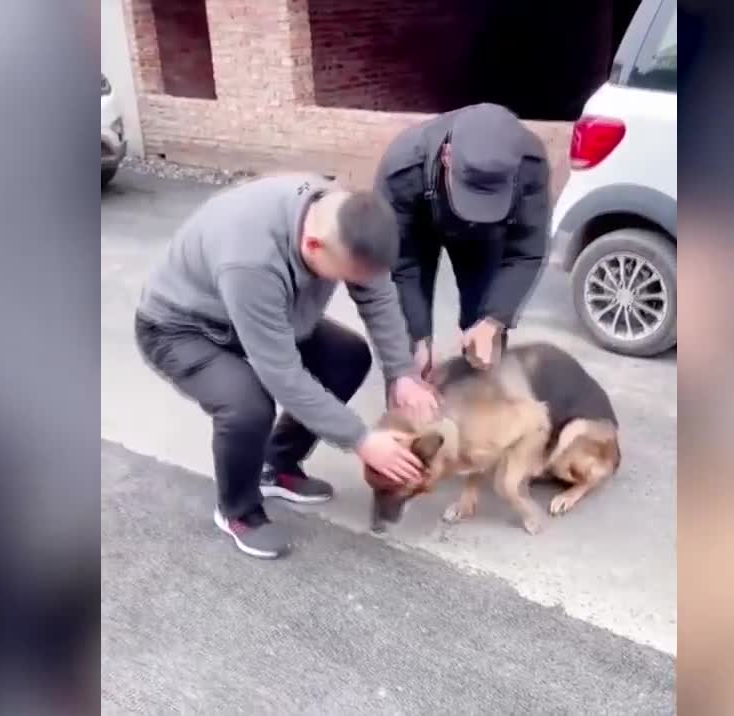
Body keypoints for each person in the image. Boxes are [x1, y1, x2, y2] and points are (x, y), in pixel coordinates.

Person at [134, 174, 439, 559]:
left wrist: (402, 373)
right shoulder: (251, 260)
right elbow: (281, 373)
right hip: (181, 328)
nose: (353, 284)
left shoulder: (346, 221)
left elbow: (377, 298)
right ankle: (238, 511)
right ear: (313, 246)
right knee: (247, 405)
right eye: (346, 276)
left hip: (263, 315)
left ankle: (275, 465)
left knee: (347, 357)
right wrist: (361, 439)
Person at [373, 103, 551, 377]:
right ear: (447, 155)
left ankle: (481, 408)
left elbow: (525, 252)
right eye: (473, 195)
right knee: (410, 355)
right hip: (420, 224)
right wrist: (418, 338)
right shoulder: (402, 168)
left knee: (486, 341)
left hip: (488, 235)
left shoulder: (529, 163)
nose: (477, 210)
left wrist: (493, 321)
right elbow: (401, 264)